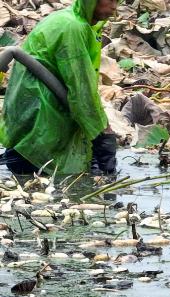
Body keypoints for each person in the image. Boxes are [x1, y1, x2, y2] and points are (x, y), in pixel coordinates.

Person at [0, 0, 118, 175]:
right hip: (41, 110)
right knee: (39, 172)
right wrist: (103, 133)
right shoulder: (72, 27)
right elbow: (81, 89)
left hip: (31, 109)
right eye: (110, 0)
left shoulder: (78, 22)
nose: (115, 7)